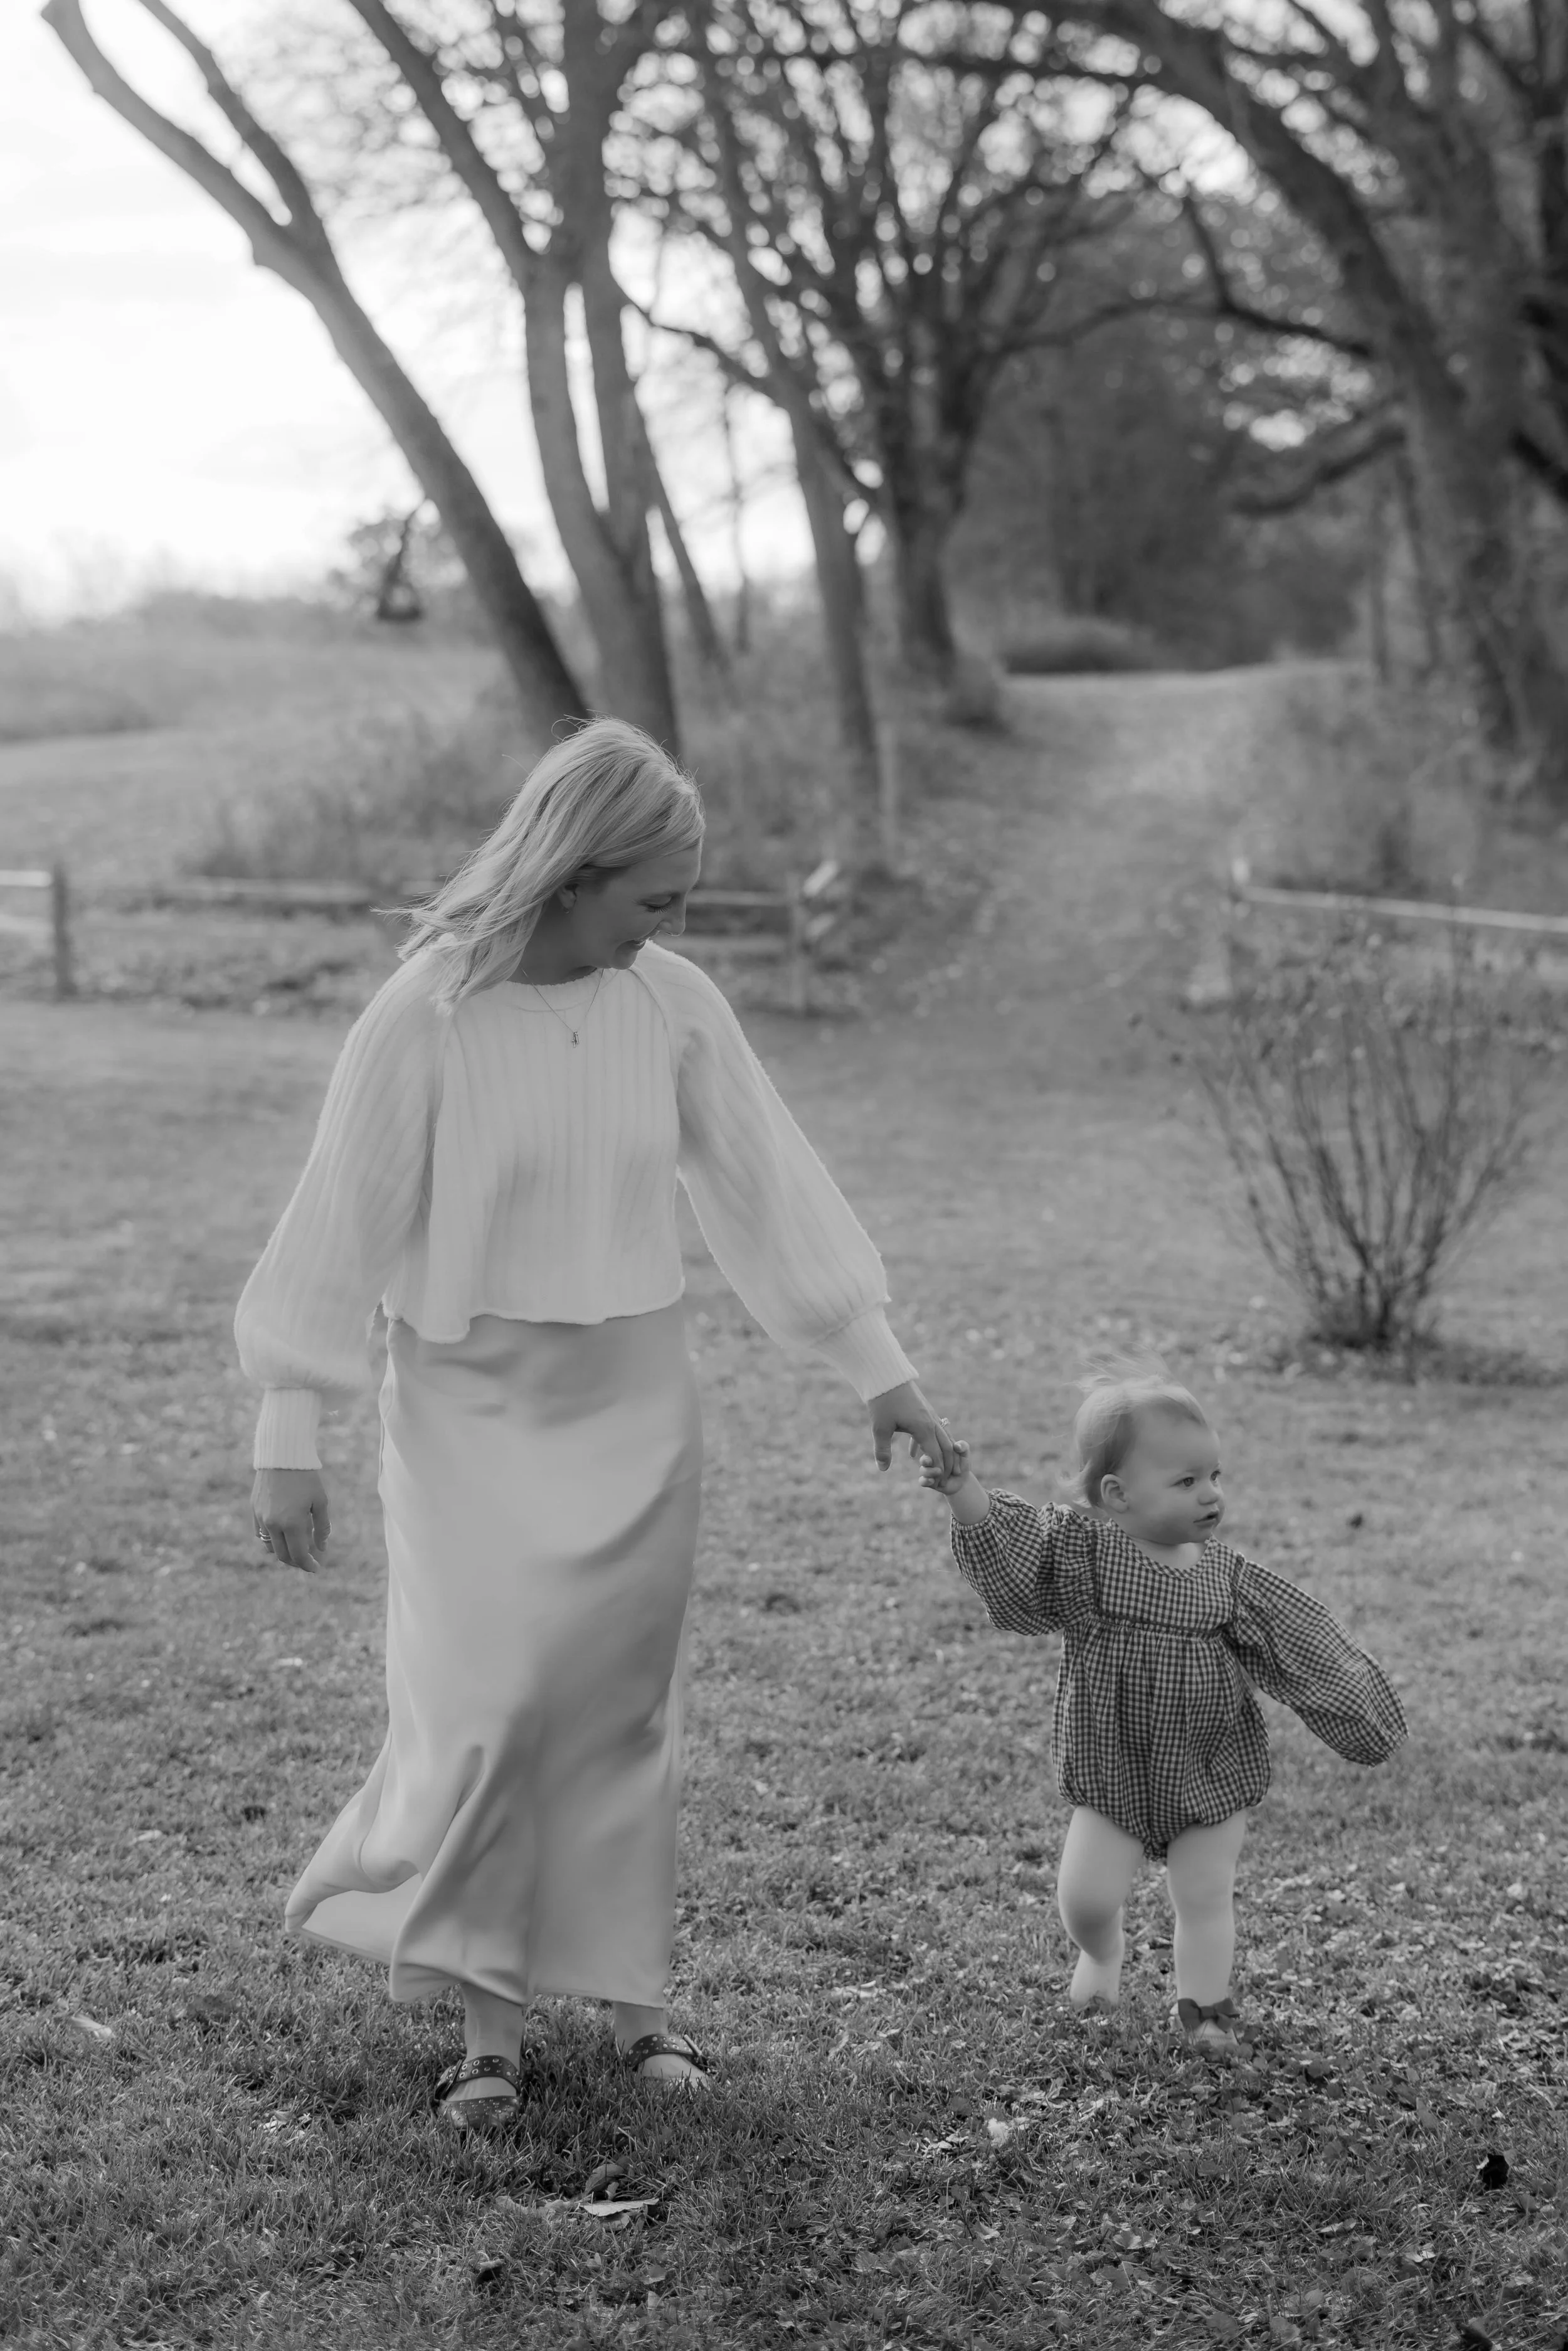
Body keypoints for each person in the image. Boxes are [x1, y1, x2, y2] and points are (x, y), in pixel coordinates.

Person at [237, 716, 955, 2124]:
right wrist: (286, 1433)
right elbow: (339, 1216)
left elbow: (766, 1182)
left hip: (631, 1398)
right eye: (652, 899)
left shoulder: (671, 1003)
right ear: (571, 871)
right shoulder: (426, 1011)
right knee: (497, 1704)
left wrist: (880, 1366)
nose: (665, 927)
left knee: (622, 1714)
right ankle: (488, 2035)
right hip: (467, 1404)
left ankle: (642, 2013)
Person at [919, 1367, 1406, 2052]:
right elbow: (1014, 1548)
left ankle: (1205, 2012)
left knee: (1204, 1896)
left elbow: (1303, 1641)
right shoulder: (1084, 1553)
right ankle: (1100, 1954)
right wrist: (962, 1492)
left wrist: (1358, 1708)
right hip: (1111, 1761)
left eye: (1213, 1475)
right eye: (1185, 1482)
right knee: (1086, 1899)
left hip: (1208, 1766)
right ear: (1114, 1494)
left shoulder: (1226, 1576)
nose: (1209, 1495)